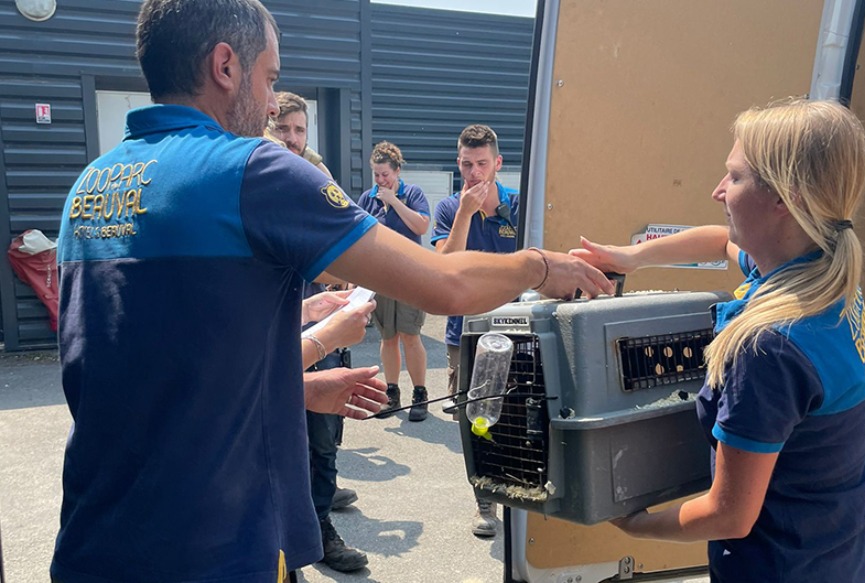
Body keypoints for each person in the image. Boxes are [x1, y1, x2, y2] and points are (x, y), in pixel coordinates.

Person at [52, 1, 614, 581]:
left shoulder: (91, 188)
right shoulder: (254, 170)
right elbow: (443, 282)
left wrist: (291, 383)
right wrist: (540, 266)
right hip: (212, 546)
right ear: (225, 65)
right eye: (270, 78)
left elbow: (160, 363)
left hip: (94, 542)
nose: (273, 106)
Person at [573, 99, 865, 583]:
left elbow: (728, 515)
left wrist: (635, 523)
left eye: (734, 177)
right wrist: (631, 256)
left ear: (786, 197)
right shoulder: (824, 277)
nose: (718, 191)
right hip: (840, 558)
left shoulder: (768, 347)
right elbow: (718, 240)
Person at [267, 96, 369, 572]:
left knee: (325, 432)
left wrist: (342, 283)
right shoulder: (255, 183)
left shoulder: (318, 182)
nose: (290, 138)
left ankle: (319, 520)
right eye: (282, 128)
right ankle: (302, 530)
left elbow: (342, 245)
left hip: (320, 322)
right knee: (282, 437)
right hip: (274, 336)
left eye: (299, 130)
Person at [431, 124, 518, 537]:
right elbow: (444, 266)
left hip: (517, 328)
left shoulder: (519, 208)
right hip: (465, 332)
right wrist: (466, 212)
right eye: (466, 164)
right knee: (478, 417)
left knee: (520, 411)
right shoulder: (449, 209)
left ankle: (523, 495)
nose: (474, 173)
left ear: (497, 164)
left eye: (482, 164)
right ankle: (485, 501)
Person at [357, 141, 431, 421]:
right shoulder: (367, 198)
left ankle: (420, 394)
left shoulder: (412, 194)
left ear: (397, 171)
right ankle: (392, 394)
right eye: (376, 174)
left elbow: (422, 226)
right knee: (388, 338)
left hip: (411, 275)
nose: (380, 180)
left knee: (410, 335)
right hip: (381, 278)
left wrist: (394, 202)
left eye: (385, 174)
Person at [267, 91, 333, 178]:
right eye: (282, 129)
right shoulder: (251, 171)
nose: (292, 139)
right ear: (266, 131)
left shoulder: (318, 175)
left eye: (300, 130)